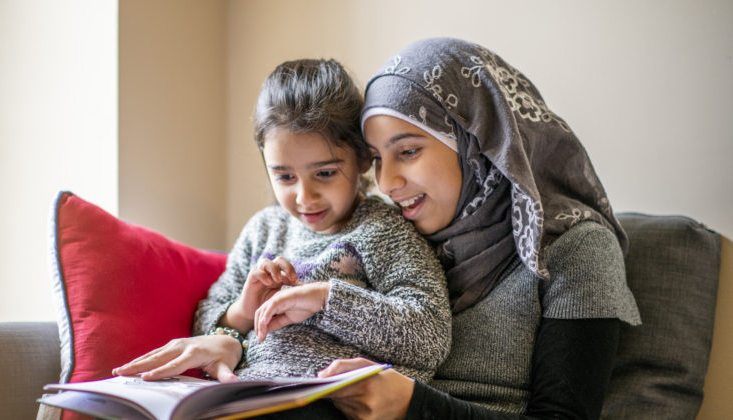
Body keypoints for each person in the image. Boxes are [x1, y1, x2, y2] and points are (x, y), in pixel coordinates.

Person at [318, 37, 642, 419]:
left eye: (407, 151)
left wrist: (413, 405)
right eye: (375, 159)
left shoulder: (576, 249)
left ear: (477, 144)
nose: (386, 183)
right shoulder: (394, 238)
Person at [114, 59, 451, 388]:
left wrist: (326, 300)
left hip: (329, 401)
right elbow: (207, 316)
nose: (305, 197)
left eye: (325, 173)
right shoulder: (263, 230)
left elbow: (430, 336)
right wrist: (243, 311)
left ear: (363, 157)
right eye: (285, 176)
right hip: (247, 394)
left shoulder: (384, 230)